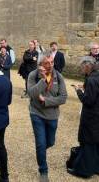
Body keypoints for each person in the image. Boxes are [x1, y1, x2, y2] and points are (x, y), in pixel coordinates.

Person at [27, 52, 67, 182]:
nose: (50, 65)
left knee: (50, 142)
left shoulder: (58, 77)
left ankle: (41, 152)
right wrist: (43, 80)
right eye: (46, 63)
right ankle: (43, 171)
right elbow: (32, 94)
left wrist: (46, 101)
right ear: (40, 64)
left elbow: (63, 97)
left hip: (53, 115)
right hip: (36, 113)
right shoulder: (33, 75)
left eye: (52, 62)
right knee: (40, 143)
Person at [67, 56, 99, 178]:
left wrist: (78, 91)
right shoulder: (96, 76)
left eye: (81, 66)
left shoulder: (92, 80)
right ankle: (95, 167)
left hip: (91, 117)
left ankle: (84, 171)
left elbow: (88, 101)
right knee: (96, 143)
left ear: (87, 66)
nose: (80, 69)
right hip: (97, 115)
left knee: (88, 143)